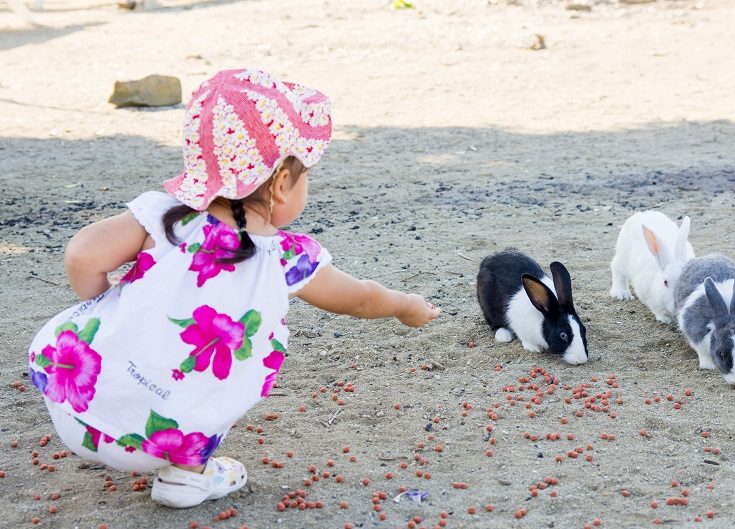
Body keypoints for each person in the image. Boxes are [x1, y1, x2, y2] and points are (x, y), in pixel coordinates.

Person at [26, 69, 440, 508]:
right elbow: (359, 299)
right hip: (157, 441)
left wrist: (107, 312)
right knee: (221, 370)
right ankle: (187, 477)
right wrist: (405, 305)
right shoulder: (286, 258)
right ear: (281, 183)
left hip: (69, 395)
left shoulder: (167, 216)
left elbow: (81, 256)